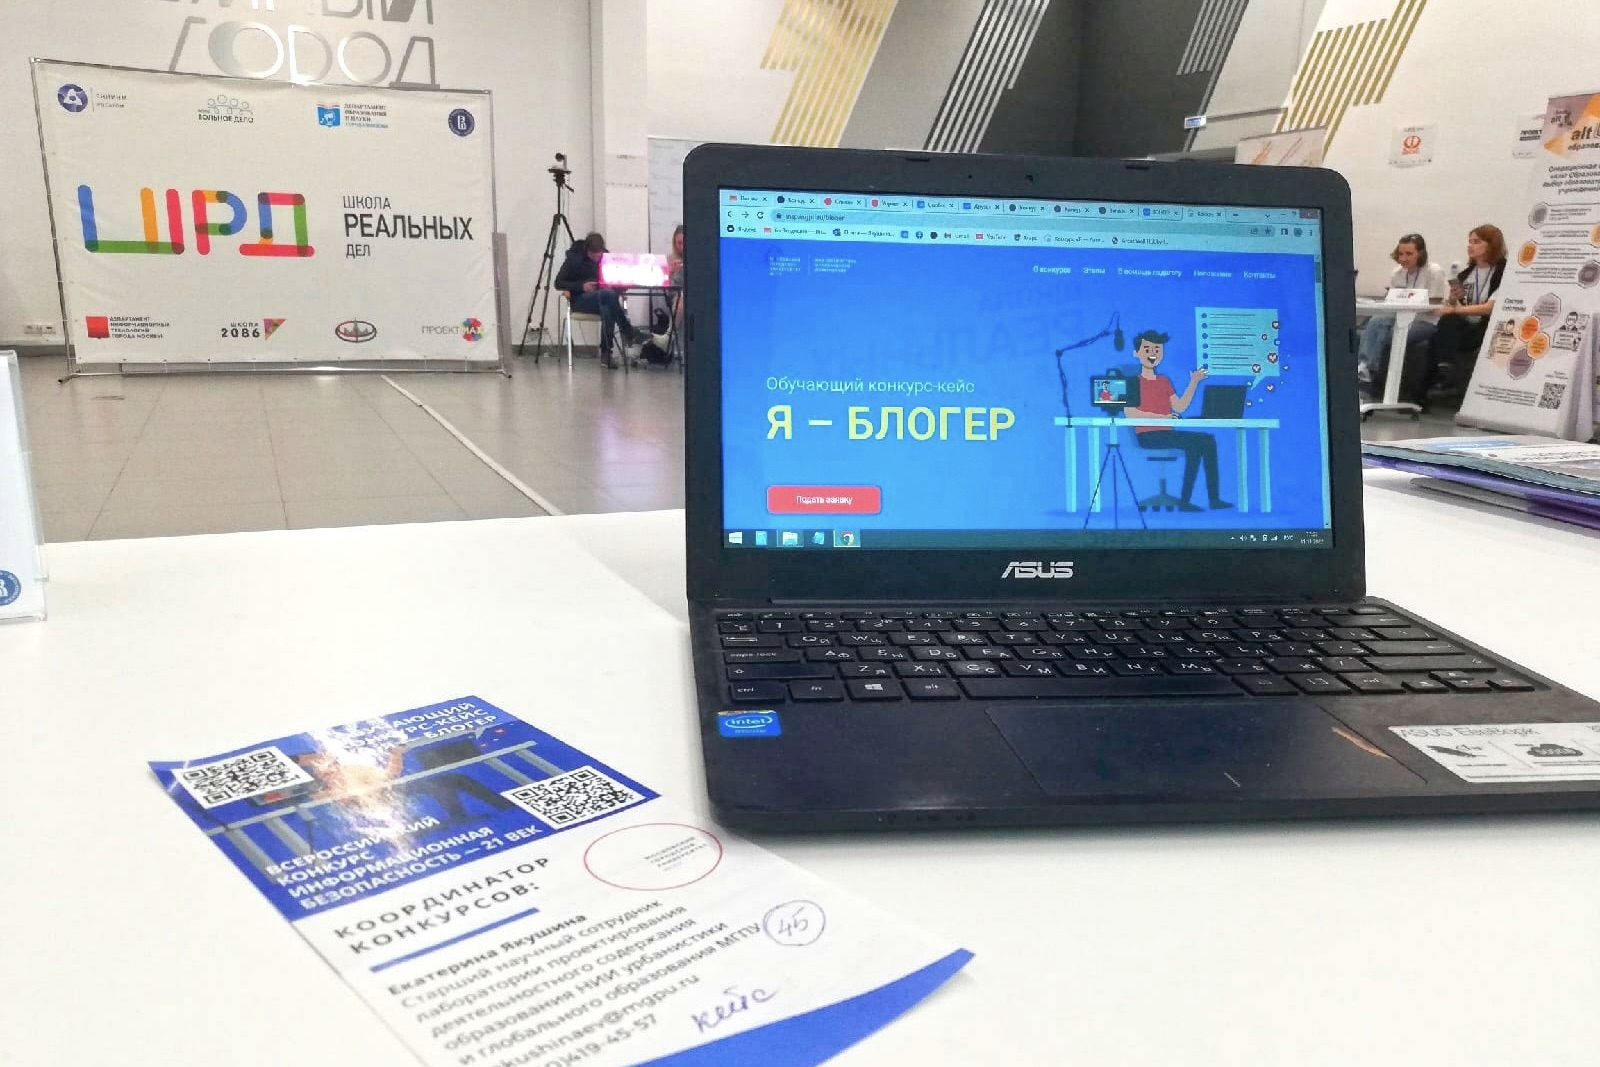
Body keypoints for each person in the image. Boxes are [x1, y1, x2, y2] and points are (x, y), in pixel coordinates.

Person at [1126, 330, 1232, 512]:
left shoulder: (1164, 381)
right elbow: (1131, 414)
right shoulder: (1132, 383)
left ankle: (1211, 499)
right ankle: (1186, 501)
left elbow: (1180, 407)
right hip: (1148, 436)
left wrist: (1194, 382)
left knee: (1206, 440)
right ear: (1136, 353)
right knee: (1197, 443)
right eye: (1147, 349)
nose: (1153, 354)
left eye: (1157, 350)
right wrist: (1163, 418)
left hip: (1167, 433)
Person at [1403, 224, 1506, 407]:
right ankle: (1423, 391)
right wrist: (1453, 299)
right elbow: (1455, 306)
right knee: (1440, 332)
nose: (1470, 246)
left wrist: (1455, 310)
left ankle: (1440, 373)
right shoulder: (1467, 273)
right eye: (1469, 241)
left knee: (1446, 325)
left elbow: (1490, 308)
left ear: (1492, 244)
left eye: (1476, 241)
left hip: (1486, 326)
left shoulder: (1502, 271)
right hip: (1464, 325)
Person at [1357, 233, 1448, 389]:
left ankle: (1374, 375)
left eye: (1409, 254)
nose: (1404, 258)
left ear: (1421, 253)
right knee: (1376, 321)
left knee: (1392, 333)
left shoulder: (1434, 271)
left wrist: (1410, 299)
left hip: (1424, 320)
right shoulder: (1397, 273)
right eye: (1400, 254)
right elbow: (1392, 300)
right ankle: (1364, 368)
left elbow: (1435, 304)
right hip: (1397, 315)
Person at [555, 231, 642, 369]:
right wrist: (582, 286)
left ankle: (606, 354)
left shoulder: (607, 258)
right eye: (593, 255)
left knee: (608, 307)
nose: (596, 259)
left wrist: (618, 284)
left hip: (603, 300)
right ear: (586, 250)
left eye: (599, 255)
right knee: (608, 296)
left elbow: (618, 285)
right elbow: (558, 283)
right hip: (580, 300)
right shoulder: (574, 258)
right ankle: (629, 332)